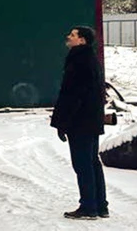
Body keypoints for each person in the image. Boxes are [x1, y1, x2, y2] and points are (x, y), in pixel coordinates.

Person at [50, 25, 108, 220]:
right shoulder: (91, 60)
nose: (69, 37)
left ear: (82, 40)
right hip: (90, 120)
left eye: (73, 35)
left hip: (80, 122)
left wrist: (62, 122)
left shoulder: (79, 61)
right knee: (92, 163)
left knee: (83, 164)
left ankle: (89, 207)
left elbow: (72, 96)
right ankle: (100, 205)